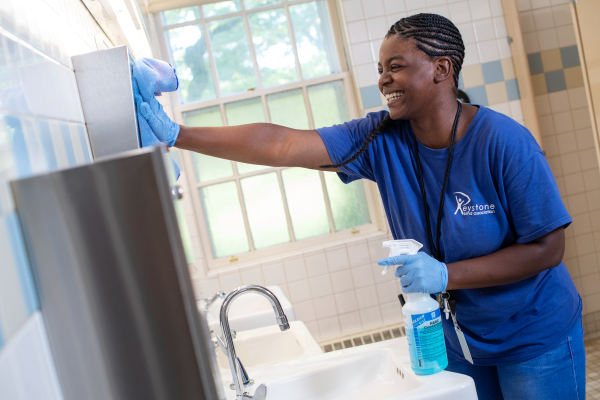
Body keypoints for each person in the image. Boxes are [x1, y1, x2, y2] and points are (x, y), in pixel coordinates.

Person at [138, 13, 584, 399]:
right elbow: (281, 143)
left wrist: (448, 275)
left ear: (441, 69)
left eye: (396, 67)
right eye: (380, 69)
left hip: (533, 337)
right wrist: (177, 134)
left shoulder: (503, 143)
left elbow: (548, 249)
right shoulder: (379, 138)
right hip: (456, 341)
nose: (383, 80)